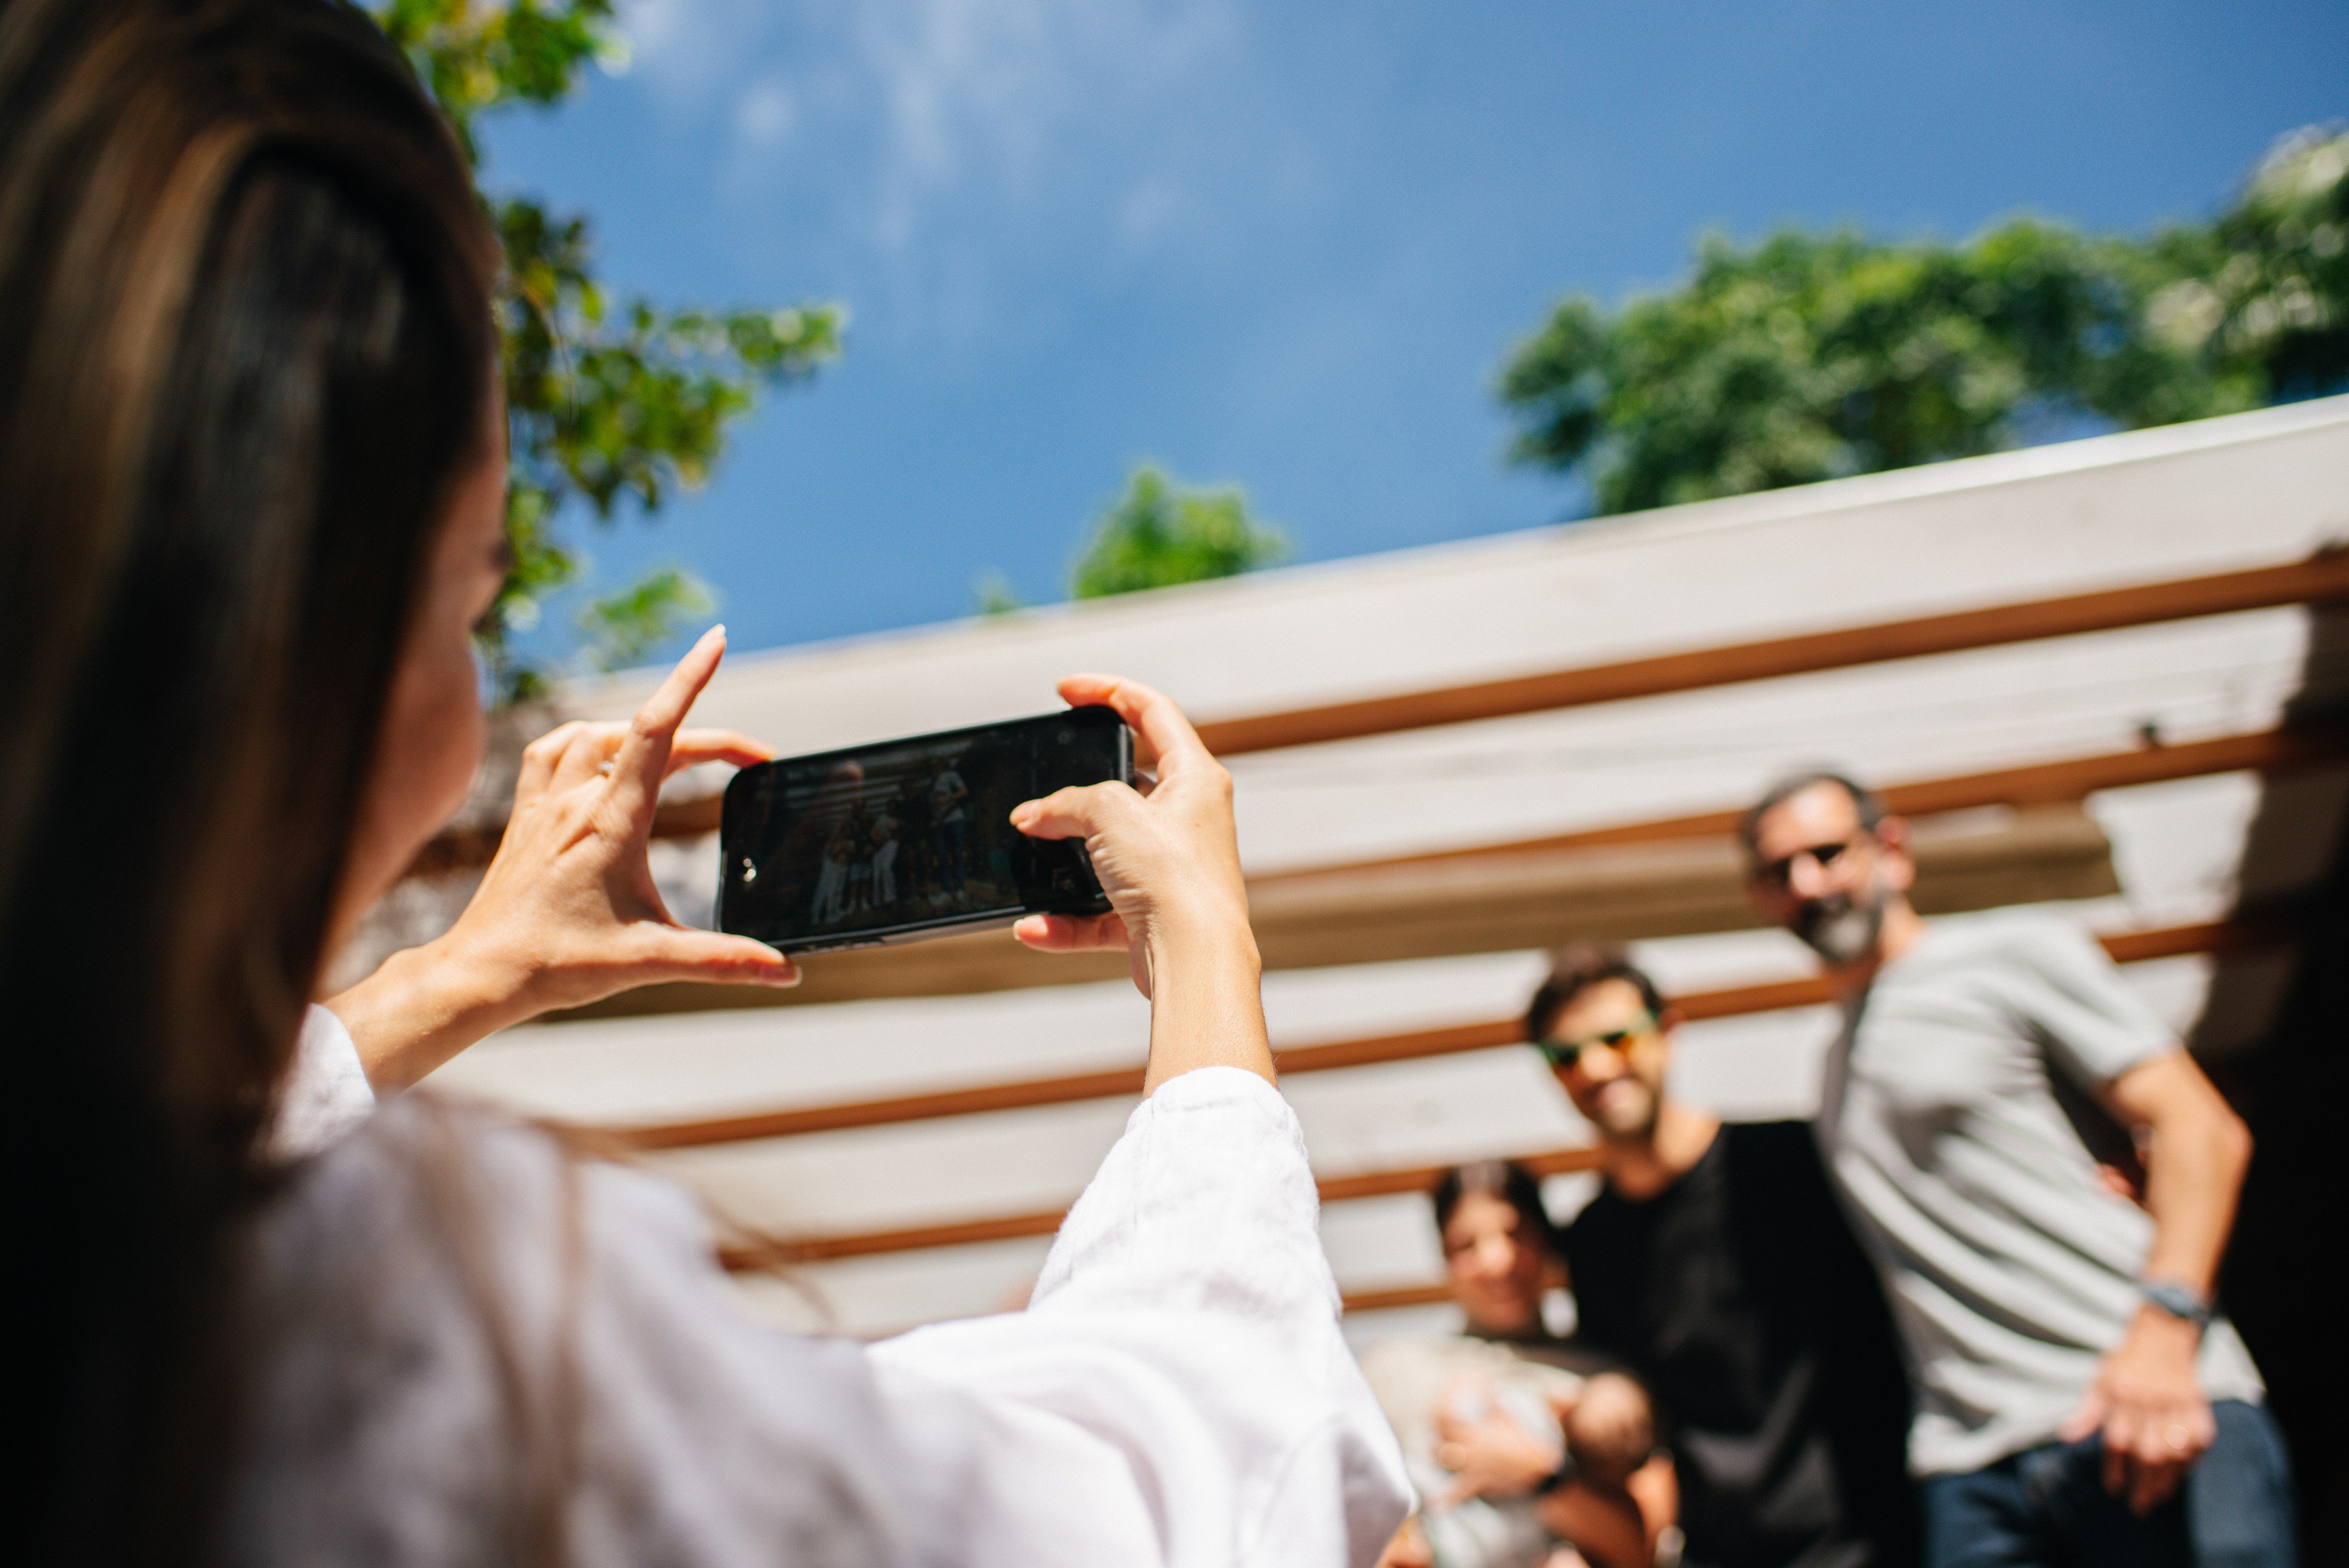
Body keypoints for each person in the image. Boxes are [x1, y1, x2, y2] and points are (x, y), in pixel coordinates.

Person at [1, 4, 1410, 1563]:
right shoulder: (418, 1334)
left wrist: (460, 973)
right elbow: (1179, 1485)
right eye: (470, 597)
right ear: (289, 632)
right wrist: (1208, 958)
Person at [1741, 772, 2296, 1568]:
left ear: (1891, 849)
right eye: (1779, 870)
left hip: (2139, 1403)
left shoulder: (2008, 956)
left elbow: (2200, 1128)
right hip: (1972, 1466)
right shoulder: (1831, 1067)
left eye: (1827, 853)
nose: (1806, 883)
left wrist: (2164, 1334)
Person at [1526, 951, 1920, 1568]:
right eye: (1567, 1055)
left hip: (1870, 1540)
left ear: (1669, 1033)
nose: (1596, 1068)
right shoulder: (1592, 1242)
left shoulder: (1791, 1162)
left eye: (1617, 1038)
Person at [1360, 1161, 1677, 1568]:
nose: (1498, 1261)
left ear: (1546, 1241)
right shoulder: (1394, 1371)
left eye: (1515, 1234)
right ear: (1445, 1257)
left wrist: (1541, 1476)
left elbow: (1643, 1548)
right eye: (1467, 1245)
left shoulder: (1605, 1382)